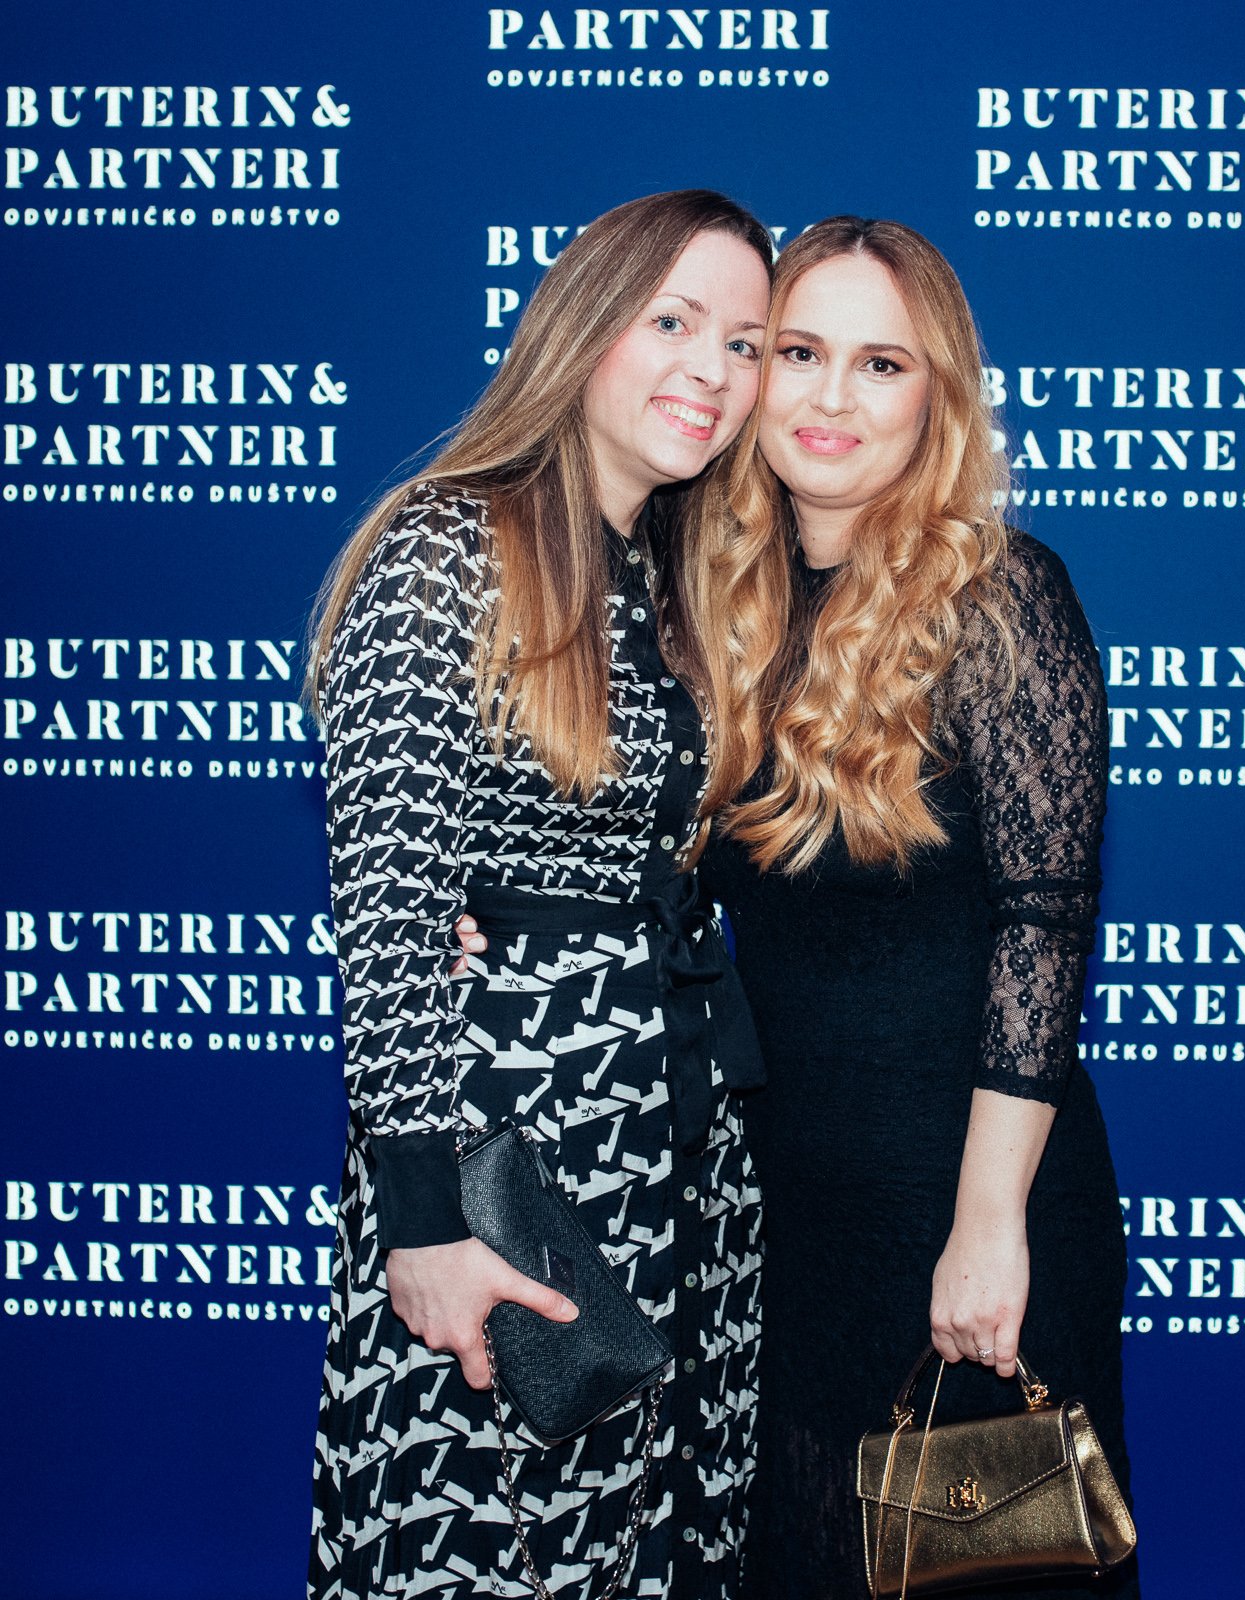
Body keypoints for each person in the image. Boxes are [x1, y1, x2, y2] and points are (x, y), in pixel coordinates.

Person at [307, 189, 774, 1600]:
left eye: (746, 343)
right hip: (510, 1172)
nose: (711, 369)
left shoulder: (669, 576)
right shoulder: (446, 546)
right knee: (483, 1552)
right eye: (673, 320)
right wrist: (424, 1224)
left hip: (676, 1157)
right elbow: (391, 909)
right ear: (583, 326)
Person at [694, 217, 1134, 1598]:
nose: (830, 398)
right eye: (798, 353)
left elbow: (1043, 924)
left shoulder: (1001, 599)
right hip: (780, 1210)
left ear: (936, 393)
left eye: (879, 362)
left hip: (969, 1201)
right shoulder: (709, 611)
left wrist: (987, 1225)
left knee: (983, 1580)